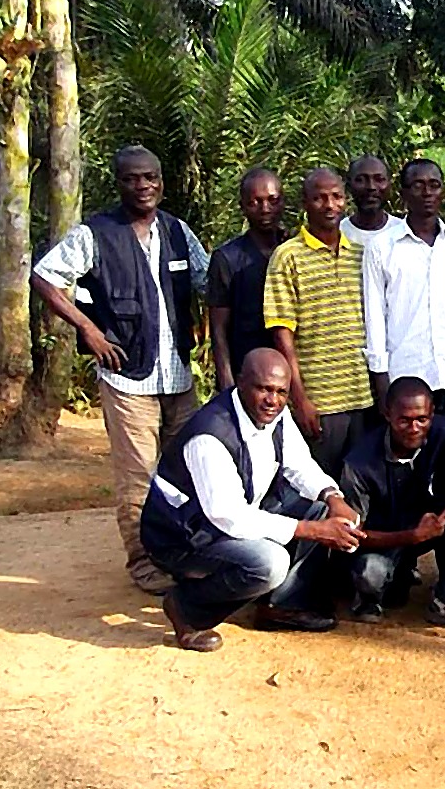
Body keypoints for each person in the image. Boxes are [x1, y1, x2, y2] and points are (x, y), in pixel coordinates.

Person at [31, 145, 210, 594]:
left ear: (162, 182)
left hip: (179, 377)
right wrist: (88, 330)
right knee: (138, 476)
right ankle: (143, 561)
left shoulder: (177, 231)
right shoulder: (96, 234)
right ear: (119, 182)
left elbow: (208, 280)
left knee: (189, 470)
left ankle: (182, 552)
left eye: (150, 177)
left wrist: (210, 325)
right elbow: (44, 277)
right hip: (128, 377)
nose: (143, 186)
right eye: (132, 178)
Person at [139, 349, 363, 652]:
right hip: (184, 538)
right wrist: (312, 530)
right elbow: (229, 516)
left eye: (281, 392)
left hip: (234, 514)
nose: (273, 400)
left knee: (322, 510)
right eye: (264, 389)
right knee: (269, 564)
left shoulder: (275, 414)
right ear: (240, 383)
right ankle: (186, 610)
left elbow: (299, 465)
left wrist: (334, 497)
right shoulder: (211, 434)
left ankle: (281, 605)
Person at [339, 377, 445, 633]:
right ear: (387, 414)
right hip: (385, 536)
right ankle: (368, 598)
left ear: (432, 414)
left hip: (425, 523)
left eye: (422, 419)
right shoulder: (359, 463)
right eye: (404, 420)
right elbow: (354, 534)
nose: (414, 427)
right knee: (371, 574)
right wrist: (411, 536)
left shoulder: (443, 430)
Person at [263, 167, 373, 476]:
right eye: (319, 198)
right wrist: (299, 398)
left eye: (336, 197)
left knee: (358, 488)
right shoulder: (287, 256)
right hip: (320, 401)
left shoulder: (361, 254)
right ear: (305, 203)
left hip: (362, 396)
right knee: (320, 489)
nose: (329, 205)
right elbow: (282, 333)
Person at [363, 158, 445, 420]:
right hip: (404, 379)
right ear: (404, 193)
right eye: (418, 186)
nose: (427, 193)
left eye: (434, 185)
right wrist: (382, 382)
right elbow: (375, 319)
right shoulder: (382, 247)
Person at [207, 167, 285, 391]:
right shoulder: (227, 258)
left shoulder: (293, 250)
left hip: (290, 369)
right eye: (255, 202)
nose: (265, 209)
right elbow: (218, 327)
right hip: (248, 370)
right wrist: (226, 377)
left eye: (272, 200)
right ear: (242, 206)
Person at [340, 154, 403, 247]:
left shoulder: (403, 233)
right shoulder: (338, 233)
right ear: (349, 186)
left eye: (379, 179)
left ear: (390, 184)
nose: (371, 187)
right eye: (361, 180)